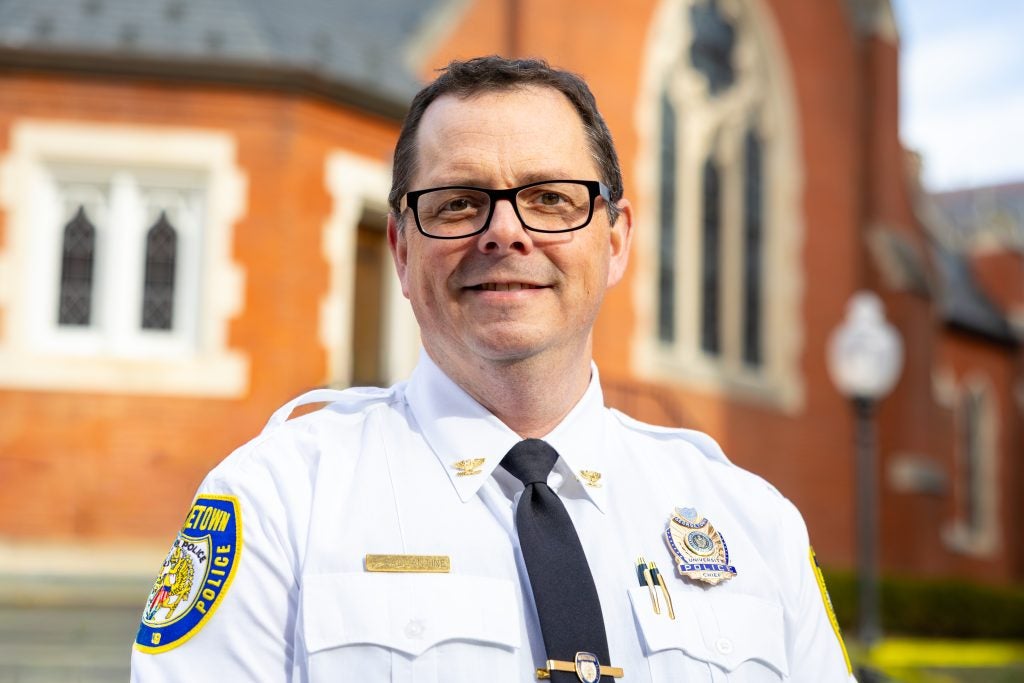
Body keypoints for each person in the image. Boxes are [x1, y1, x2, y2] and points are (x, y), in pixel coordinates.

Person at [130, 55, 855, 682]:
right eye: (458, 204)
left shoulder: (753, 523)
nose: (505, 232)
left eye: (550, 199)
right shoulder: (278, 501)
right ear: (401, 250)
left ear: (615, 242)